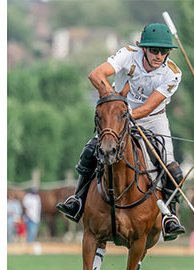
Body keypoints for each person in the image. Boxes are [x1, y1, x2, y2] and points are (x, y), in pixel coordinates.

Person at [56, 23, 186, 240]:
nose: (159, 55)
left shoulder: (173, 73)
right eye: (154, 50)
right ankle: (77, 200)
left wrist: (125, 115)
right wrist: (113, 102)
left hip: (154, 119)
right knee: (91, 150)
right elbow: (96, 75)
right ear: (143, 48)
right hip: (119, 115)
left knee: (171, 167)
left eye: (164, 51)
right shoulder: (127, 55)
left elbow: (147, 108)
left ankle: (169, 216)